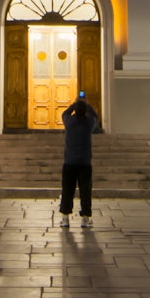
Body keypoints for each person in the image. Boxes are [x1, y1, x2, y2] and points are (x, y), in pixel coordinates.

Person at [59, 91, 99, 228]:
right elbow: (96, 117)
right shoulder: (88, 123)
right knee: (85, 191)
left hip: (69, 163)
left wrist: (75, 104)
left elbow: (64, 114)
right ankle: (86, 218)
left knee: (67, 191)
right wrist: (86, 105)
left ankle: (65, 218)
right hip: (84, 164)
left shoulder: (69, 122)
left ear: (75, 110)